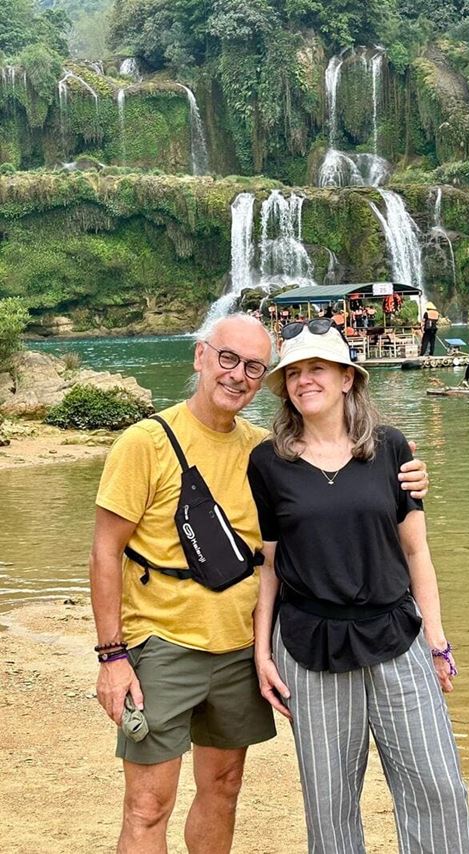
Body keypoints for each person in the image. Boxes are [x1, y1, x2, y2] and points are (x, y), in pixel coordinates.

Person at [88, 313, 429, 854]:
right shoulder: (145, 442)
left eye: (254, 367)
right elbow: (105, 552)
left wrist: (405, 474)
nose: (238, 375)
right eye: (227, 359)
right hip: (161, 645)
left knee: (223, 790)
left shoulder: (265, 453)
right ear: (201, 356)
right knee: (149, 804)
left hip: (240, 649)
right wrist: (112, 656)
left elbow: (329, 500)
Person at [248, 320, 469, 854]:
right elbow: (271, 564)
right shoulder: (268, 462)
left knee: (436, 785)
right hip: (309, 642)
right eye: (295, 372)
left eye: (318, 369)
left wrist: (437, 641)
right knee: (329, 801)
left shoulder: (391, 447)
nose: (306, 381)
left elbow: (416, 550)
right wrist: (262, 652)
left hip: (397, 634)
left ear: (348, 378)